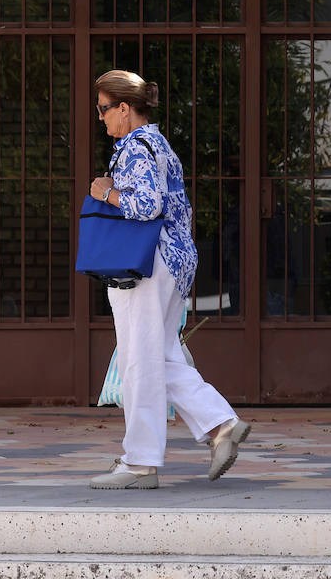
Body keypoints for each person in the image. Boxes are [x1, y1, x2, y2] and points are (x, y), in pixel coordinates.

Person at [87, 69, 252, 490]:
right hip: (172, 262)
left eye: (104, 109)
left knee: (137, 359)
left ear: (125, 109)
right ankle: (220, 425)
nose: (101, 118)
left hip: (145, 263)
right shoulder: (158, 144)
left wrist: (104, 191)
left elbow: (145, 206)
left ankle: (140, 462)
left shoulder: (136, 148)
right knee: (159, 356)